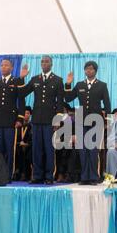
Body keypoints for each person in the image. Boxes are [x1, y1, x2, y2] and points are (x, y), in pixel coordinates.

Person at [65, 61, 111, 185]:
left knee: (93, 150)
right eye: (87, 69)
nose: (89, 71)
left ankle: (94, 177)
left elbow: (107, 104)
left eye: (91, 69)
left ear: (95, 71)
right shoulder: (80, 84)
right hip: (81, 118)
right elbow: (68, 98)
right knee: (83, 150)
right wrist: (68, 84)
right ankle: (85, 177)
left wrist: (107, 119)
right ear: (84, 71)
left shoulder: (102, 85)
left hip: (96, 120)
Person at [20, 56, 64, 185]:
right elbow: (22, 92)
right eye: (42, 62)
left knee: (49, 149)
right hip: (37, 119)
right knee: (37, 149)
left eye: (47, 61)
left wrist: (58, 120)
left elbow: (60, 102)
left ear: (51, 64)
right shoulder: (35, 79)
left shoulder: (57, 80)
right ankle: (37, 175)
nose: (44, 64)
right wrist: (22, 78)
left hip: (50, 120)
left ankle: (49, 176)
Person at [54, 103, 81, 183]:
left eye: (73, 115)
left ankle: (70, 175)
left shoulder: (80, 123)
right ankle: (61, 174)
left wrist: (76, 137)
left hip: (77, 144)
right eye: (70, 115)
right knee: (62, 150)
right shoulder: (65, 123)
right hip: (67, 144)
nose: (71, 117)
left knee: (71, 151)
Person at [14, 106, 33, 181]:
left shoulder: (31, 126)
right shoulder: (17, 126)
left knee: (28, 152)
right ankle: (16, 171)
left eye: (28, 113)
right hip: (18, 146)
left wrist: (27, 144)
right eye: (24, 113)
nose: (26, 115)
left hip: (28, 146)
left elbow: (32, 139)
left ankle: (25, 173)